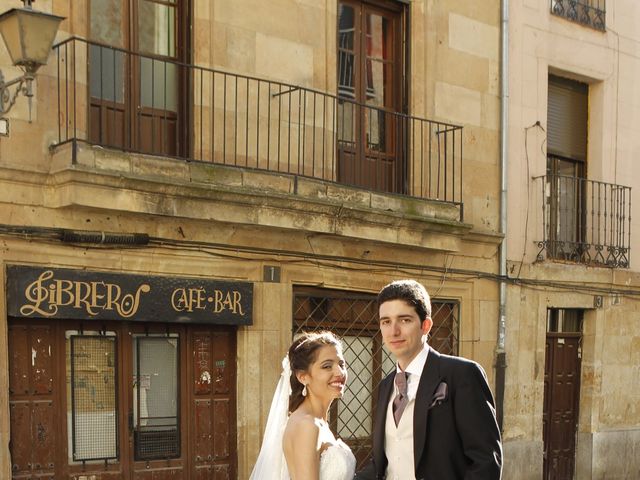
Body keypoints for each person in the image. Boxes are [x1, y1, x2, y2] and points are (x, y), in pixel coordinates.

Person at [356, 279, 502, 480]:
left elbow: (486, 460)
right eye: (386, 321)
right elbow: (386, 462)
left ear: (426, 325)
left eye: (405, 320)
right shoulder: (385, 386)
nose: (393, 331)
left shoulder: (462, 375)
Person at [250, 331, 356, 480]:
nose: (340, 372)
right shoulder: (307, 425)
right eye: (327, 366)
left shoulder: (317, 422)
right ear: (303, 377)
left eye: (341, 364)